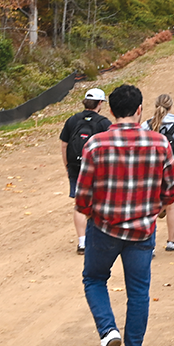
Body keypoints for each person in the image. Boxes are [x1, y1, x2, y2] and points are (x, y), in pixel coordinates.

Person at [76, 84, 174, 346]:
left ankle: (109, 331)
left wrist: (91, 215)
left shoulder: (95, 144)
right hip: (142, 232)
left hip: (104, 228)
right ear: (139, 110)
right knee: (138, 292)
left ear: (110, 111)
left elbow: (83, 195)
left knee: (94, 279)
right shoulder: (159, 143)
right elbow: (171, 189)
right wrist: (156, 209)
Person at [60, 87, 111, 254]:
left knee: (79, 204)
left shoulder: (72, 120)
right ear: (100, 103)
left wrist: (68, 166)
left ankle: (82, 242)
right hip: (96, 169)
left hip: (75, 167)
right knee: (99, 203)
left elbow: (64, 144)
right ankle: (98, 239)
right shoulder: (104, 123)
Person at [144, 93, 174, 251]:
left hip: (149, 173)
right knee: (171, 205)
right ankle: (171, 241)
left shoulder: (146, 125)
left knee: (149, 207)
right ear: (171, 107)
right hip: (172, 173)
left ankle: (150, 243)